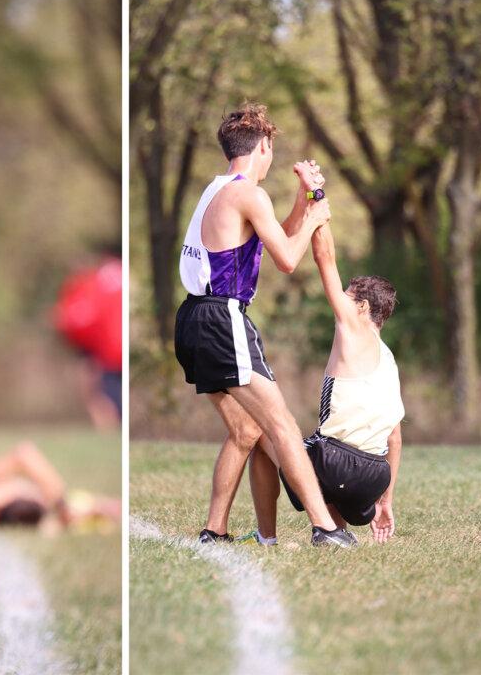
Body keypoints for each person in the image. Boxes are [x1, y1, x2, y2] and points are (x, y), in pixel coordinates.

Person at [173, 103, 353, 547]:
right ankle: (325, 528)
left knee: (246, 431)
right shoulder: (249, 195)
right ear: (265, 147)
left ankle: (214, 531)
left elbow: (279, 235)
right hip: (222, 319)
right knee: (282, 426)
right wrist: (316, 213)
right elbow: (290, 259)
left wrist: (304, 201)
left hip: (193, 319)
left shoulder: (220, 189)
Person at [241, 222, 403, 546]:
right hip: (374, 477)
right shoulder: (388, 360)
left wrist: (318, 202)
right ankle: (336, 531)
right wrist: (385, 500)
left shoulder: (353, 328)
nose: (339, 302)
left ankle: (267, 537)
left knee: (260, 433)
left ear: (363, 307)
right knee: (321, 450)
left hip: (339, 466)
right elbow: (395, 438)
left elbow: (325, 257)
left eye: (347, 296)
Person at [54, 251, 123, 429]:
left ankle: (105, 426)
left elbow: (79, 317)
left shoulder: (92, 284)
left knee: (103, 398)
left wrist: (63, 321)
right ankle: (106, 426)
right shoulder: (111, 277)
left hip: (107, 354)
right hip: (110, 351)